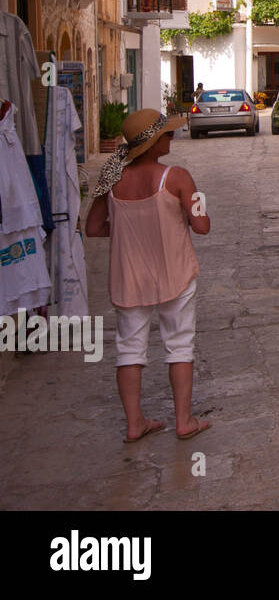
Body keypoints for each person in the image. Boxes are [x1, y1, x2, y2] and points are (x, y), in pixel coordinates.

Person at [85, 109, 212, 442]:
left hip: (128, 277)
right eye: (167, 134)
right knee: (180, 345)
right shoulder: (178, 177)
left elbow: (94, 227)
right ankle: (183, 420)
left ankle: (134, 423)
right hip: (176, 273)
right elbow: (202, 225)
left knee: (129, 349)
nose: (172, 137)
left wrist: (131, 227)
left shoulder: (111, 177)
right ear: (154, 143)